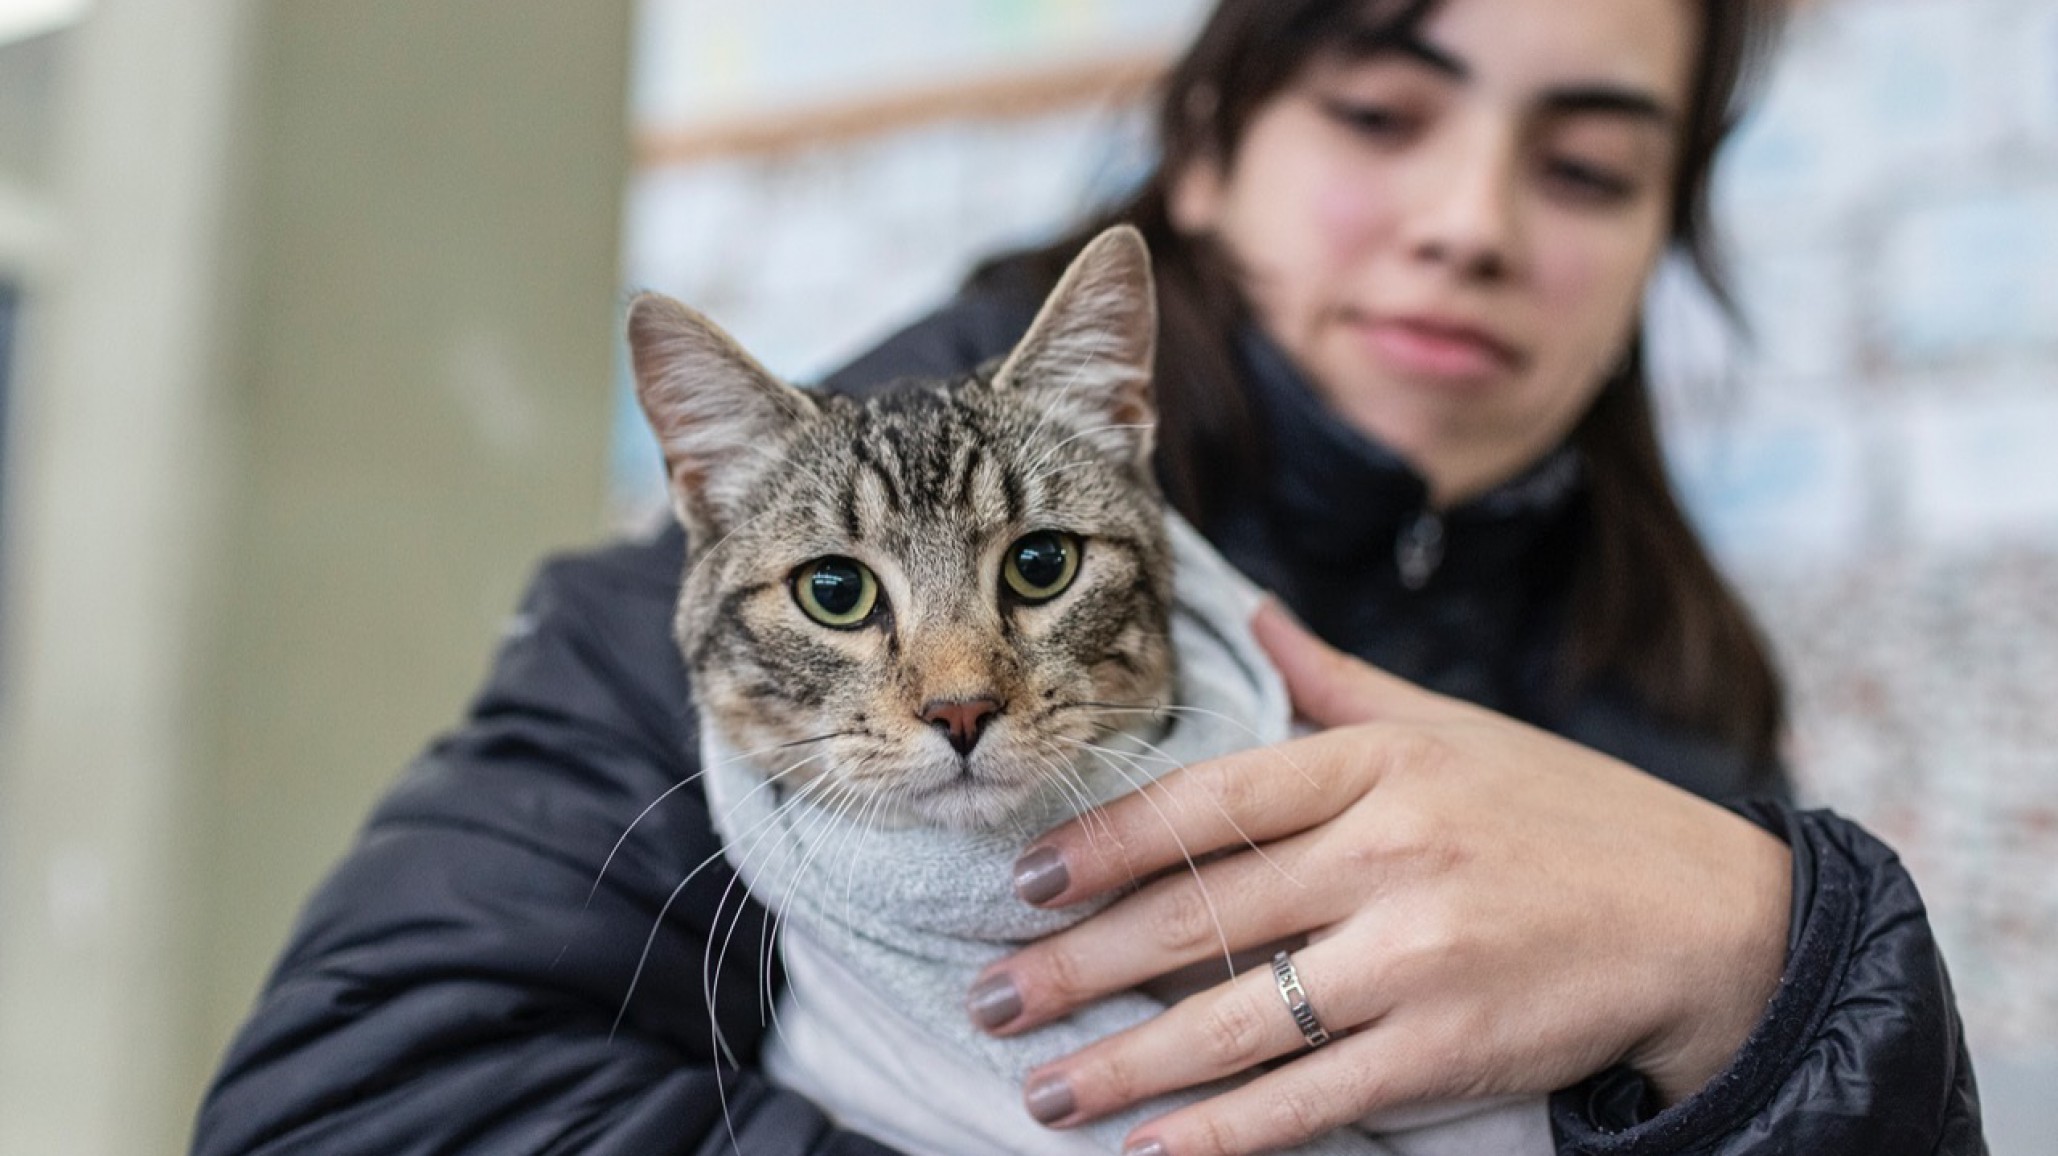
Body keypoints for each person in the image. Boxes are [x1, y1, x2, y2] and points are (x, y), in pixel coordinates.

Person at [191, 0, 1984, 1153]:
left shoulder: (1679, 683)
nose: (1471, 222)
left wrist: (1776, 958)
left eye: (1589, 164)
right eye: (1377, 112)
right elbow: (341, 1120)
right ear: (1205, 140)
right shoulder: (685, 610)